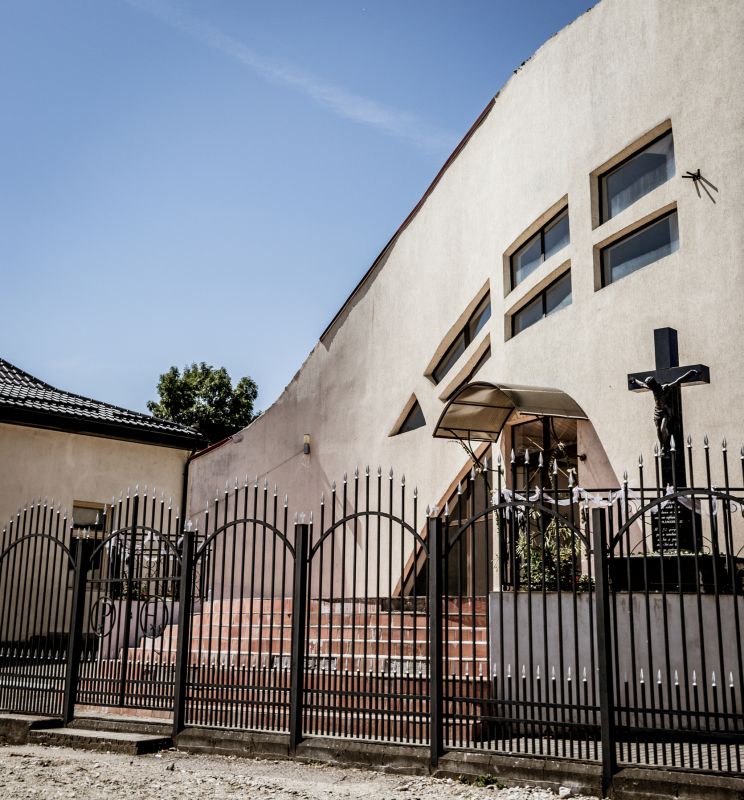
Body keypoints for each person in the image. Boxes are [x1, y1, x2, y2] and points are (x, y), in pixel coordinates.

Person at [629, 370, 699, 451]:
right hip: (657, 412)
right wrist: (634, 380)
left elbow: (678, 381)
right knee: (658, 429)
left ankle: (666, 442)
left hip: (665, 412)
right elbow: (642, 384)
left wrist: (690, 373)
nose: (650, 388)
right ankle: (663, 445)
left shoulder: (664, 388)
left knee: (662, 428)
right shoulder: (652, 388)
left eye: (651, 386)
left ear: (654, 384)